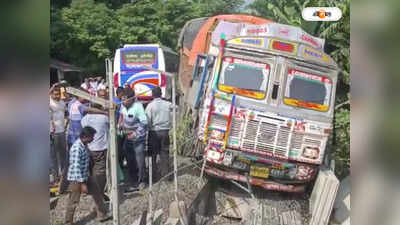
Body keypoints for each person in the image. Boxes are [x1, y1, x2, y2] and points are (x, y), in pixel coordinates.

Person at [64, 126, 111, 225]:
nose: (93, 139)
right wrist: (82, 184)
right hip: (76, 179)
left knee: (97, 193)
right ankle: (68, 222)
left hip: (86, 175)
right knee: (73, 201)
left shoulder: (84, 145)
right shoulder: (77, 148)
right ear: (85, 136)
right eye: (91, 137)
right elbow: (76, 168)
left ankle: (102, 215)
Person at [81, 91, 109, 200]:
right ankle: (98, 192)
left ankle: (91, 189)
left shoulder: (85, 119)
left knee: (91, 170)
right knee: (100, 171)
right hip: (101, 147)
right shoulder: (104, 118)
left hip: (89, 147)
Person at [119, 88, 148, 190]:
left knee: (139, 159)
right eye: (121, 99)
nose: (123, 101)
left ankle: (142, 180)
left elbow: (144, 122)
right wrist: (120, 124)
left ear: (131, 99)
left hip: (138, 138)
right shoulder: (123, 106)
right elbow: (121, 116)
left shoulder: (138, 107)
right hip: (127, 137)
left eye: (125, 99)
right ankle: (133, 180)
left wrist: (135, 134)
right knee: (130, 160)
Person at [145, 86, 172, 182]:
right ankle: (166, 176)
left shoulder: (150, 106)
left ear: (152, 95)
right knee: (164, 153)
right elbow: (176, 108)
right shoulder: (168, 104)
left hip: (154, 132)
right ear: (161, 94)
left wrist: (147, 128)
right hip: (165, 132)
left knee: (153, 154)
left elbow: (147, 120)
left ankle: (153, 176)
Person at [49, 86, 69, 180]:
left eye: (58, 94)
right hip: (53, 133)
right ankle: (55, 176)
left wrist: (66, 123)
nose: (57, 96)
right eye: (55, 94)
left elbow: (66, 113)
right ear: (51, 94)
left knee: (63, 154)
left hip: (62, 131)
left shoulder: (62, 102)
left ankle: (64, 175)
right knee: (54, 156)